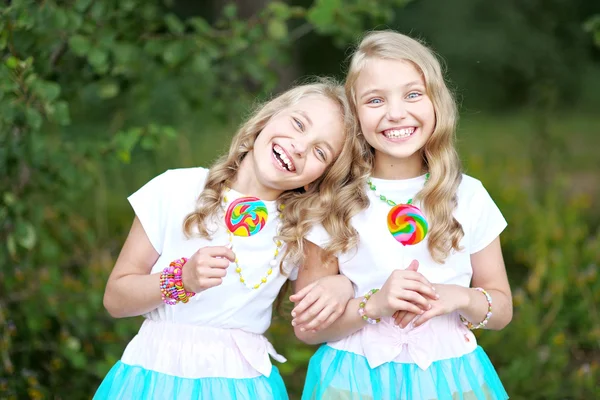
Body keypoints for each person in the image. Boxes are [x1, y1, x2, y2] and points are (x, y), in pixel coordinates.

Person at [93, 79, 365, 400]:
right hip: (153, 374)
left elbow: (310, 326)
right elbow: (115, 299)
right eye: (298, 124)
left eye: (320, 151)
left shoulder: (303, 230)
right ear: (265, 119)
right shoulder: (175, 190)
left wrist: (342, 285)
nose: (299, 146)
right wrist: (182, 280)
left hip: (241, 385)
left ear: (318, 179)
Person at [291, 31, 513, 400]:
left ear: (436, 102)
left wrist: (458, 297)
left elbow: (502, 309)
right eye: (375, 100)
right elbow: (308, 330)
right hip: (354, 379)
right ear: (355, 114)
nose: (396, 113)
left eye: (412, 94)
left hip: (451, 378)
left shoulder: (467, 195)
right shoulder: (332, 201)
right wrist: (373, 304)